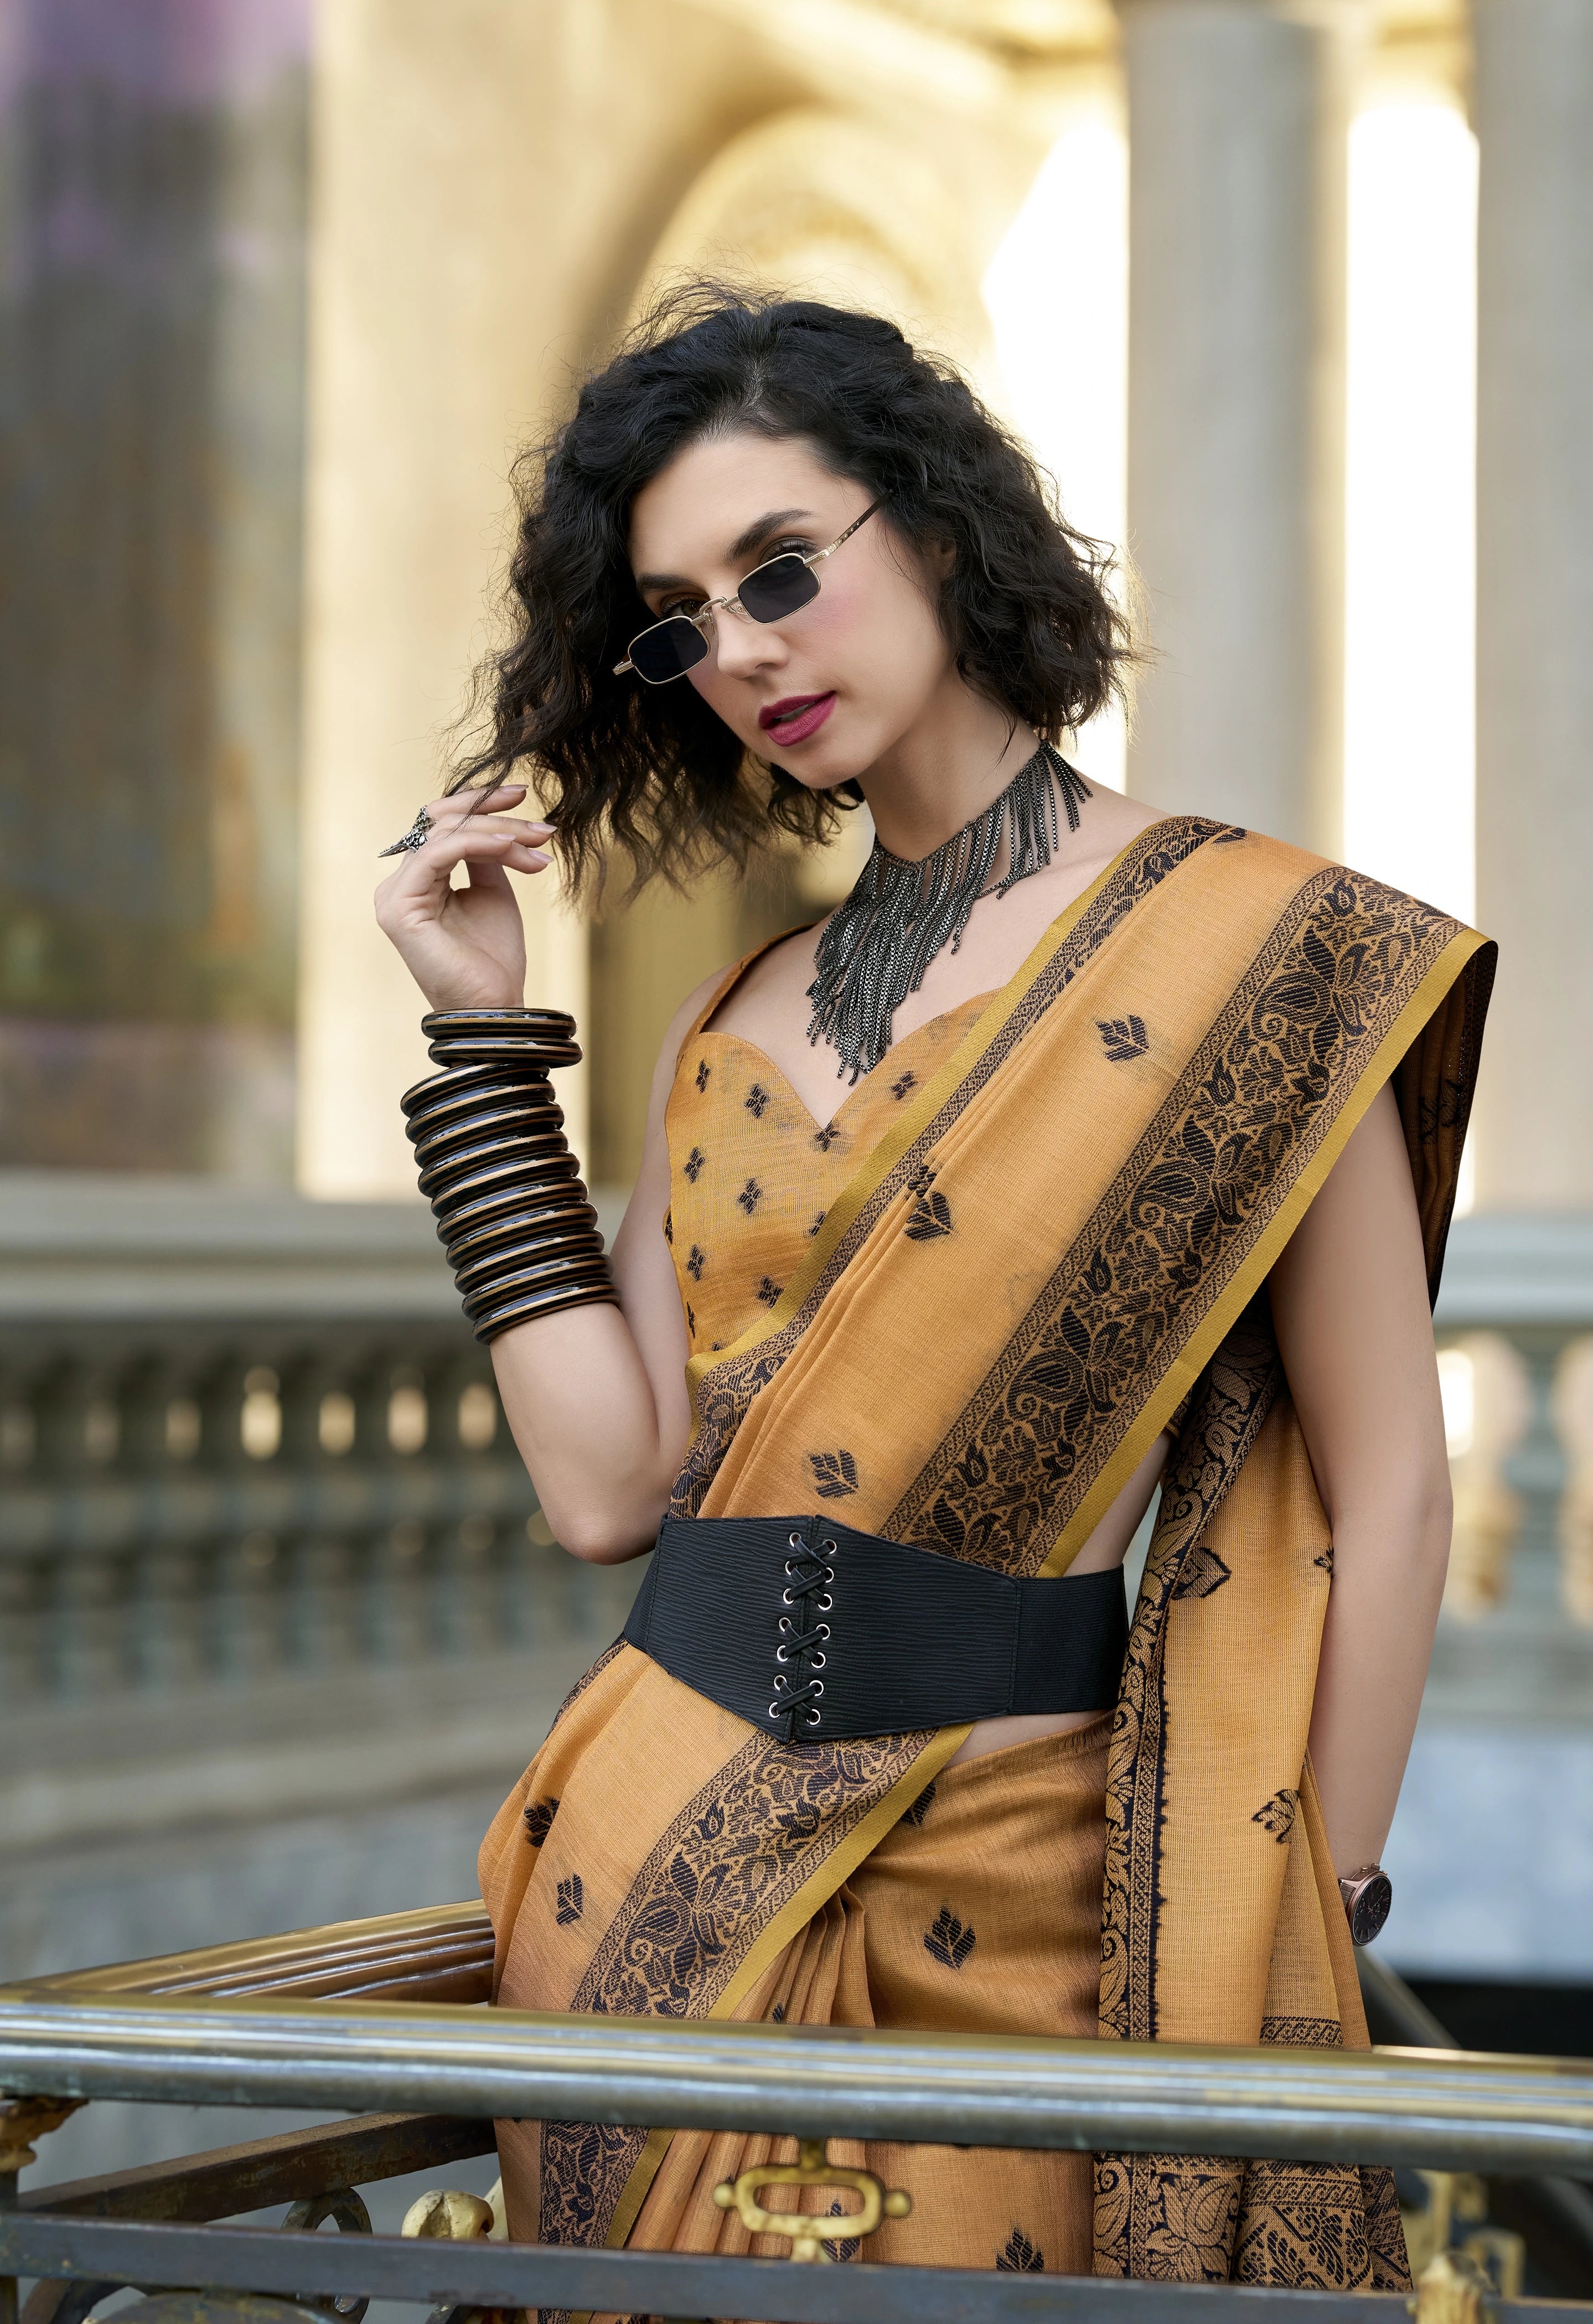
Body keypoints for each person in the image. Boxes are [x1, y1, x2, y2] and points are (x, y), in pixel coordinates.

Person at [375, 287, 1494, 2289]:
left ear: (944, 532)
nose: (737, 648)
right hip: (640, 1869)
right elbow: (605, 1487)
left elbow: (1390, 1484)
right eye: (678, 621)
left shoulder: (1262, 956)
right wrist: (482, 1051)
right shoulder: (738, 1010)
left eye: (779, 568)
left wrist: (1307, 1908)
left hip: (1029, 1888)